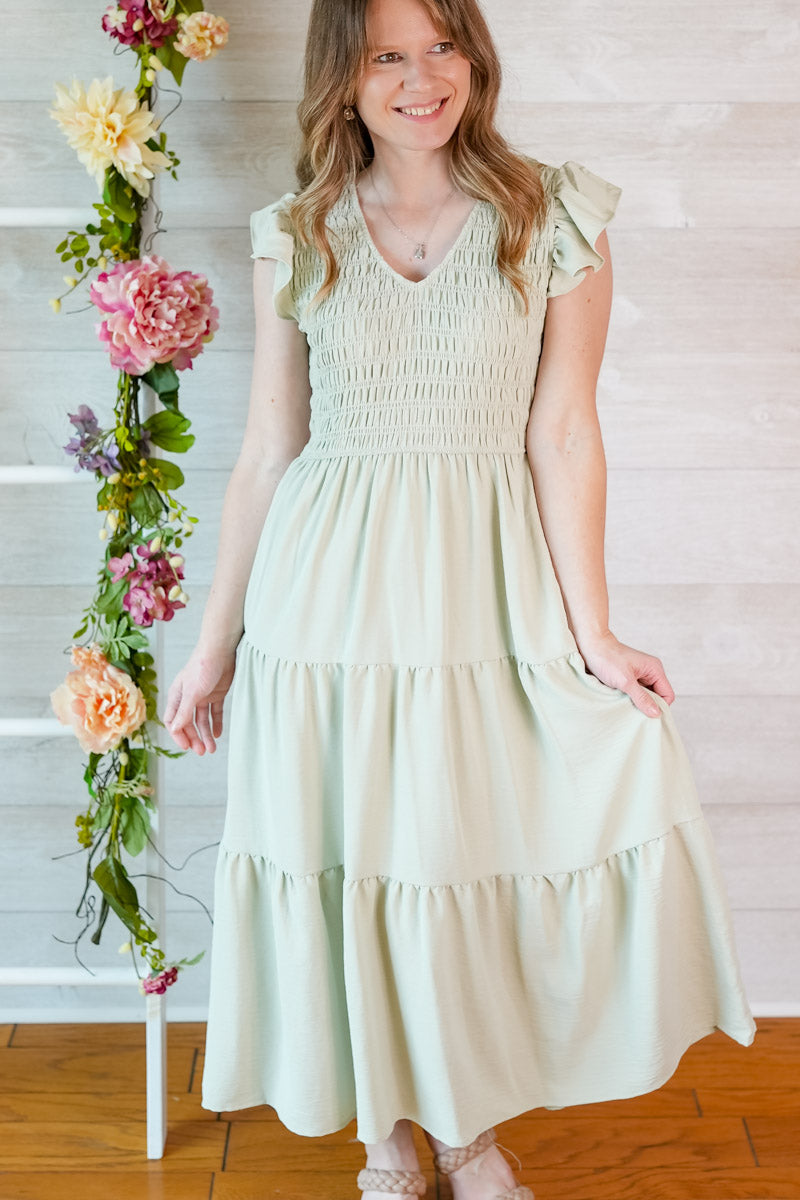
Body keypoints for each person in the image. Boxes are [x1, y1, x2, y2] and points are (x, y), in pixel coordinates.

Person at [164, 0, 757, 1195]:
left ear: (475, 59)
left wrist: (590, 631)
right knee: (351, 866)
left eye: (443, 46)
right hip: (322, 599)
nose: (422, 77)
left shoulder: (551, 213)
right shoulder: (297, 228)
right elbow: (270, 448)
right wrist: (212, 643)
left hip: (478, 588)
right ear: (345, 79)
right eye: (387, 55)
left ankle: (466, 1130)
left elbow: (563, 430)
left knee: (451, 858)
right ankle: (385, 1135)